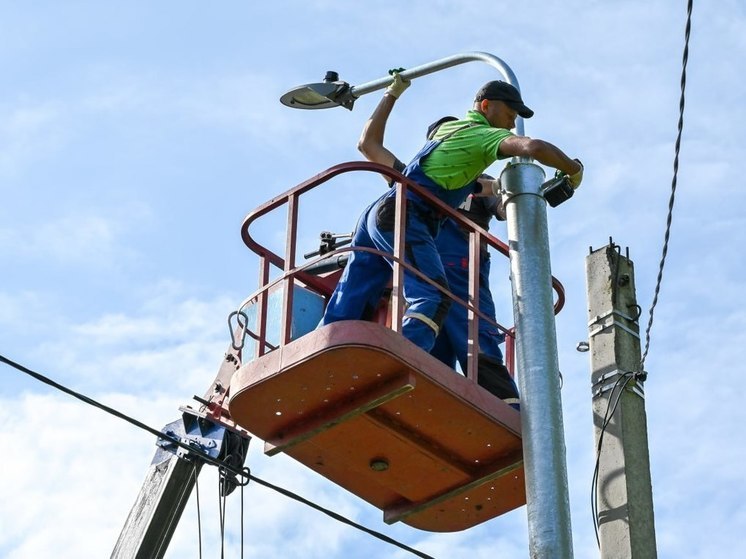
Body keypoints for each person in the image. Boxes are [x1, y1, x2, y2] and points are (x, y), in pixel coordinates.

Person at [320, 74, 582, 405]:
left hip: (386, 217)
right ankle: (397, 366)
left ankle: (324, 353)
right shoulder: (480, 139)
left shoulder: (448, 154)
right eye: (510, 113)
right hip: (417, 229)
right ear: (486, 107)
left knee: (357, 292)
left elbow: (369, 145)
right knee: (440, 306)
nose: (513, 122)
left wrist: (391, 93)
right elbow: (534, 147)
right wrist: (571, 169)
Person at [356, 73, 518, 403]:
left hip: (458, 264)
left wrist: (515, 187)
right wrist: (391, 94)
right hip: (435, 261)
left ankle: (492, 401)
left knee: (467, 333)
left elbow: (503, 204)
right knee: (454, 333)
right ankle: (425, 385)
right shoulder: (420, 177)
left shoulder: (474, 181)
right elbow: (369, 145)